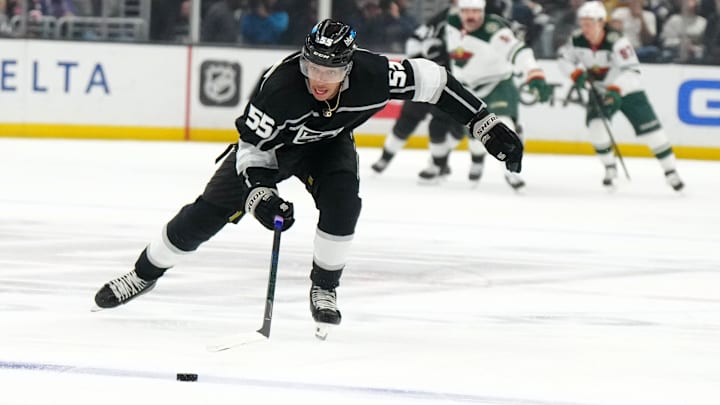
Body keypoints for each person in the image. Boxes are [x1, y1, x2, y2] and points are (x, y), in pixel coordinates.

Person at [92, 19, 523, 337]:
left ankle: (324, 288)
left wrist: (485, 124)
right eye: (313, 70)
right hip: (273, 150)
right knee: (204, 217)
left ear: (349, 69)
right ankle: (144, 273)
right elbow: (253, 148)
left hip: (330, 144)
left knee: (343, 206)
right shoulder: (278, 87)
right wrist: (261, 193)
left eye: (331, 74)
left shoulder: (374, 75)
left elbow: (436, 82)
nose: (320, 81)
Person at [558, 1, 684, 190]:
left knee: (652, 132)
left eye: (589, 23)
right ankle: (610, 167)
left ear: (601, 22)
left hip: (628, 91)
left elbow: (633, 71)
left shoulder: (618, 42)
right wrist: (576, 74)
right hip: (599, 90)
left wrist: (616, 89)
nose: (584, 28)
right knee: (596, 127)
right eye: (582, 23)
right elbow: (563, 59)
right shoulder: (577, 39)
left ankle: (671, 171)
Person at [430, 0, 551, 190]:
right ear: (459, 10)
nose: (470, 16)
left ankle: (510, 170)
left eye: (475, 11)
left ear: (483, 11)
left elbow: (518, 51)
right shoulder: (452, 21)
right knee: (476, 133)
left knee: (503, 124)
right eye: (466, 11)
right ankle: (477, 160)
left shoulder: (495, 29)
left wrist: (534, 72)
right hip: (467, 87)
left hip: (497, 84)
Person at [370, 4, 467, 182]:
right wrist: (423, 58)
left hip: (455, 84)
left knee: (452, 127)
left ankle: (438, 164)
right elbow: (414, 41)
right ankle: (385, 159)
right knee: (408, 119)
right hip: (427, 77)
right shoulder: (441, 19)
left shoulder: (483, 21)